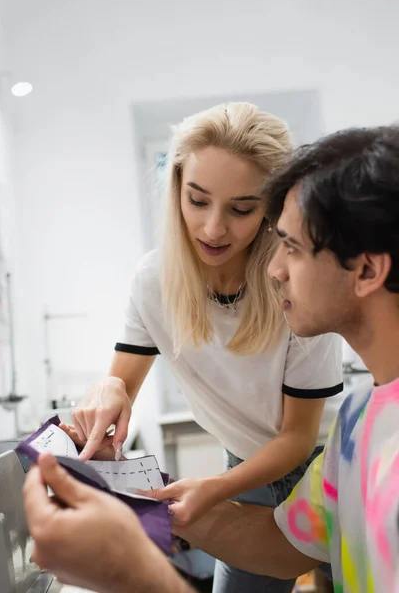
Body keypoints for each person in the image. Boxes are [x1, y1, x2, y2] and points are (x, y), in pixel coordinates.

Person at [23, 124, 399, 593]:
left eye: (293, 247)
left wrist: (136, 573)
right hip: (268, 463)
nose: (275, 269)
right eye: (198, 201)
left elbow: (296, 445)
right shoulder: (360, 424)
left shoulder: (354, 429)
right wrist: (144, 503)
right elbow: (286, 548)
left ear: (366, 270)